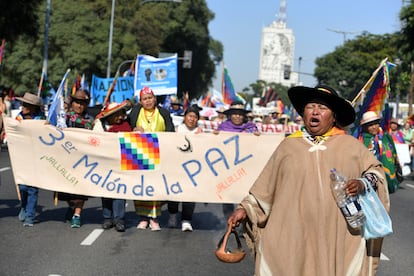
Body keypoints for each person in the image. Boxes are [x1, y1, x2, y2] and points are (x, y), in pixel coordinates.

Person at [227, 85, 390, 276]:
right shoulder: (287, 147)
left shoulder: (351, 146)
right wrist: (244, 209)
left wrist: (362, 184)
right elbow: (265, 188)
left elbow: (376, 172)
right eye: (311, 106)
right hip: (292, 237)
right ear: (303, 113)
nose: (315, 112)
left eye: (322, 108)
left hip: (338, 237)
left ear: (334, 116)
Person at [128, 86, 175, 231]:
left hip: (158, 154)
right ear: (140, 101)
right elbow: (127, 128)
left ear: (154, 99)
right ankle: (142, 217)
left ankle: (154, 218)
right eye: (144, 99)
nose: (148, 101)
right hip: (139, 153)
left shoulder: (164, 113)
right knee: (141, 186)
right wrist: (134, 130)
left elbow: (170, 131)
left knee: (155, 186)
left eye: (150, 98)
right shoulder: (135, 112)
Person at [214, 101, 259, 219]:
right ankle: (228, 220)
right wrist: (214, 137)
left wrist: (258, 138)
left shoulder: (251, 128)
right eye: (234, 114)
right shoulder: (223, 128)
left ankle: (244, 221)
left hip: (245, 168)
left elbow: (257, 147)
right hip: (227, 168)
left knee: (245, 196)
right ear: (230, 115)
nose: (237, 116)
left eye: (240, 114)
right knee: (227, 195)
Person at [57, 89, 94, 228]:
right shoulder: (63, 118)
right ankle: (71, 207)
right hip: (66, 160)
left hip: (83, 161)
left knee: (80, 191)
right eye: (77, 103)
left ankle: (77, 215)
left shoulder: (90, 121)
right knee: (66, 190)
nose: (79, 106)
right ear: (72, 103)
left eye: (83, 103)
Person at [93, 101, 132, 232]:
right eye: (117, 115)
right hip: (105, 163)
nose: (120, 117)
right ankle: (107, 218)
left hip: (121, 163)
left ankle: (119, 219)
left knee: (120, 191)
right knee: (106, 191)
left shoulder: (126, 126)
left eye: (122, 114)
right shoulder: (100, 126)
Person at [168, 106, 203, 232]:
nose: (192, 119)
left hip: (192, 170)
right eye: (190, 116)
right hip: (176, 168)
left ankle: (186, 220)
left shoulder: (200, 132)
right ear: (185, 117)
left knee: (189, 195)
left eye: (195, 117)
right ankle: (172, 215)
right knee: (174, 193)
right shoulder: (176, 130)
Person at [15, 92, 46, 226]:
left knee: (32, 188)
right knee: (22, 186)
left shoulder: (40, 120)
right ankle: (24, 205)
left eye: (27, 105)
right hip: (21, 157)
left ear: (33, 107)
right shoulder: (18, 118)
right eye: (23, 104)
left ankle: (29, 216)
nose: (23, 107)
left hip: (35, 157)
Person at [358, 111, 401, 193]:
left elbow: (393, 153)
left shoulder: (385, 137)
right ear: (365, 126)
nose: (374, 127)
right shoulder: (361, 140)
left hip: (384, 177)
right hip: (368, 178)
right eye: (370, 125)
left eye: (376, 123)